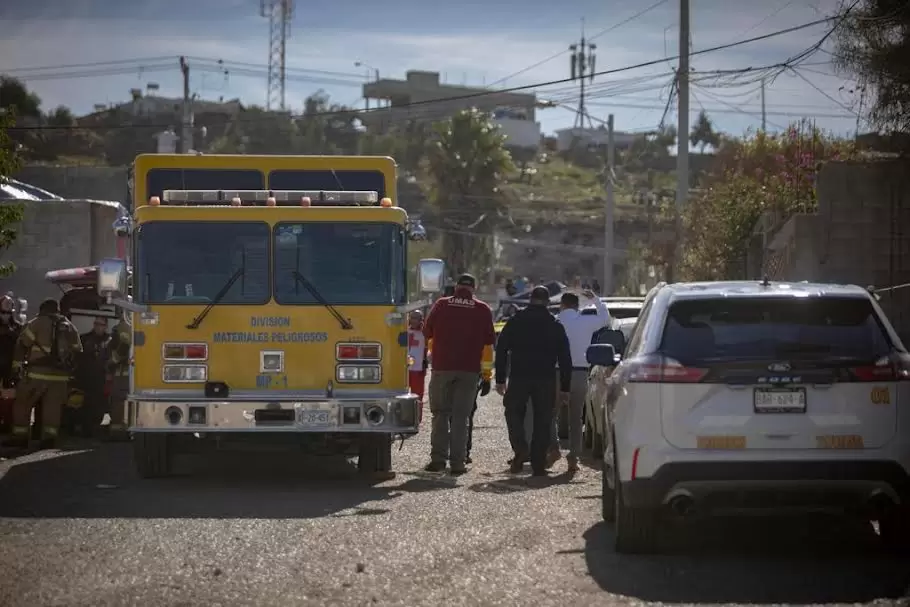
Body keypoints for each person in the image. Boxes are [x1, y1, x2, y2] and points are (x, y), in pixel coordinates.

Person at [495, 286, 572, 476]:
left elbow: (502, 347)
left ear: (530, 299)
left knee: (513, 413)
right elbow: (565, 358)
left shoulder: (516, 321)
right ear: (547, 302)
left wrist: (500, 378)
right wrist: (564, 387)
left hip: (519, 376)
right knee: (543, 420)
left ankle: (520, 448)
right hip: (545, 379)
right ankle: (538, 463)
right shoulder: (554, 324)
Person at [423, 273, 495, 475]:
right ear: (474, 288)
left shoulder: (441, 304)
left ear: (456, 287)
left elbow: (426, 331)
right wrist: (487, 375)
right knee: (461, 418)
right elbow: (489, 343)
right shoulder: (482, 309)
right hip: (469, 370)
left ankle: (437, 460)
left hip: (442, 368)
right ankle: (457, 463)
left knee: (440, 414)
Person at [4, 298, 82, 449]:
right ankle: (49, 439)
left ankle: (20, 437)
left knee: (22, 403)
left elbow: (22, 344)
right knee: (53, 408)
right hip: (61, 377)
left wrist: (16, 367)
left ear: (42, 310)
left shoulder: (37, 322)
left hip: (36, 374)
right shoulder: (70, 326)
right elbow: (78, 351)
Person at [555, 289, 611, 472]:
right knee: (576, 417)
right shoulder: (585, 321)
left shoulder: (555, 320)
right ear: (577, 306)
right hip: (579, 373)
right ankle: (573, 457)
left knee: (549, 414)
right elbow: (605, 318)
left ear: (562, 305)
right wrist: (596, 299)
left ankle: (553, 448)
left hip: (555, 373)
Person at [70, 317, 110, 437]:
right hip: (85, 377)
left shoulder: (109, 340)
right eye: (96, 323)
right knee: (83, 404)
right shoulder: (84, 338)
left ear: (105, 326)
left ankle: (94, 428)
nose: (98, 326)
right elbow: (76, 357)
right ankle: (81, 428)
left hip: (101, 378)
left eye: (101, 324)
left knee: (99, 404)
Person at [0, 295, 23, 434]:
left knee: (9, 398)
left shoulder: (17, 327)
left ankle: (7, 423)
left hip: (10, 368)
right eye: (3, 313)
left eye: (8, 313)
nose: (6, 316)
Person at [106, 314, 131, 440]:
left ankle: (117, 432)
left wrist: (112, 362)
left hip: (122, 372)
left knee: (118, 400)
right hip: (136, 372)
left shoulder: (121, 328)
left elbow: (123, 347)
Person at [407, 310, 429, 425]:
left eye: (417, 318)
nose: (414, 320)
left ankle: (417, 418)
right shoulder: (404, 330)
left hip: (418, 368)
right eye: (412, 318)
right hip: (404, 368)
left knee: (418, 395)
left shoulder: (425, 333)